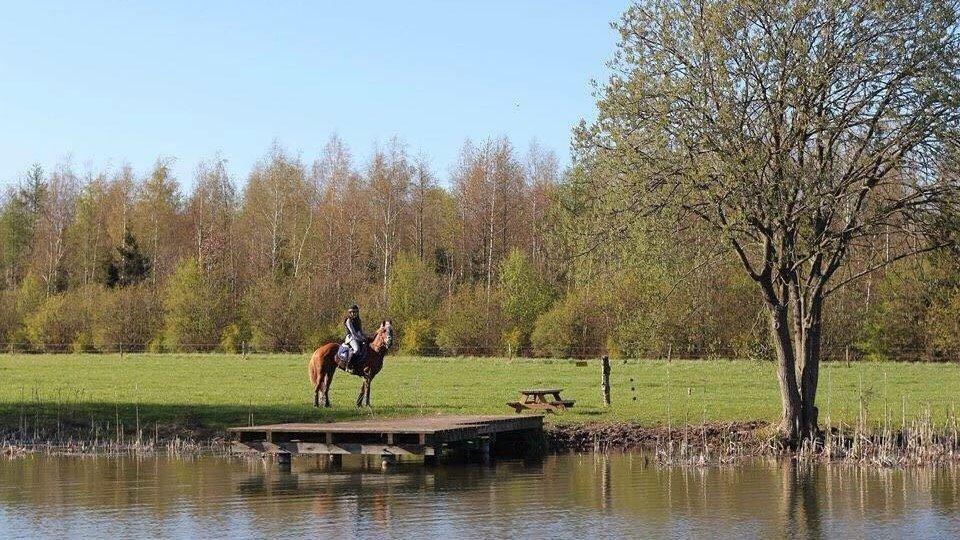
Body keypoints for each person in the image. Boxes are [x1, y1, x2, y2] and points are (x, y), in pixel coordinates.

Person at [343, 304, 366, 371]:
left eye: (355, 312)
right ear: (349, 313)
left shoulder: (359, 320)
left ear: (357, 312)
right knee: (356, 349)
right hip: (350, 337)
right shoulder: (348, 321)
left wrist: (365, 337)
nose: (353, 313)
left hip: (357, 336)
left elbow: (360, 331)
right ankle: (348, 366)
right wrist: (361, 338)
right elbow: (353, 333)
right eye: (352, 312)